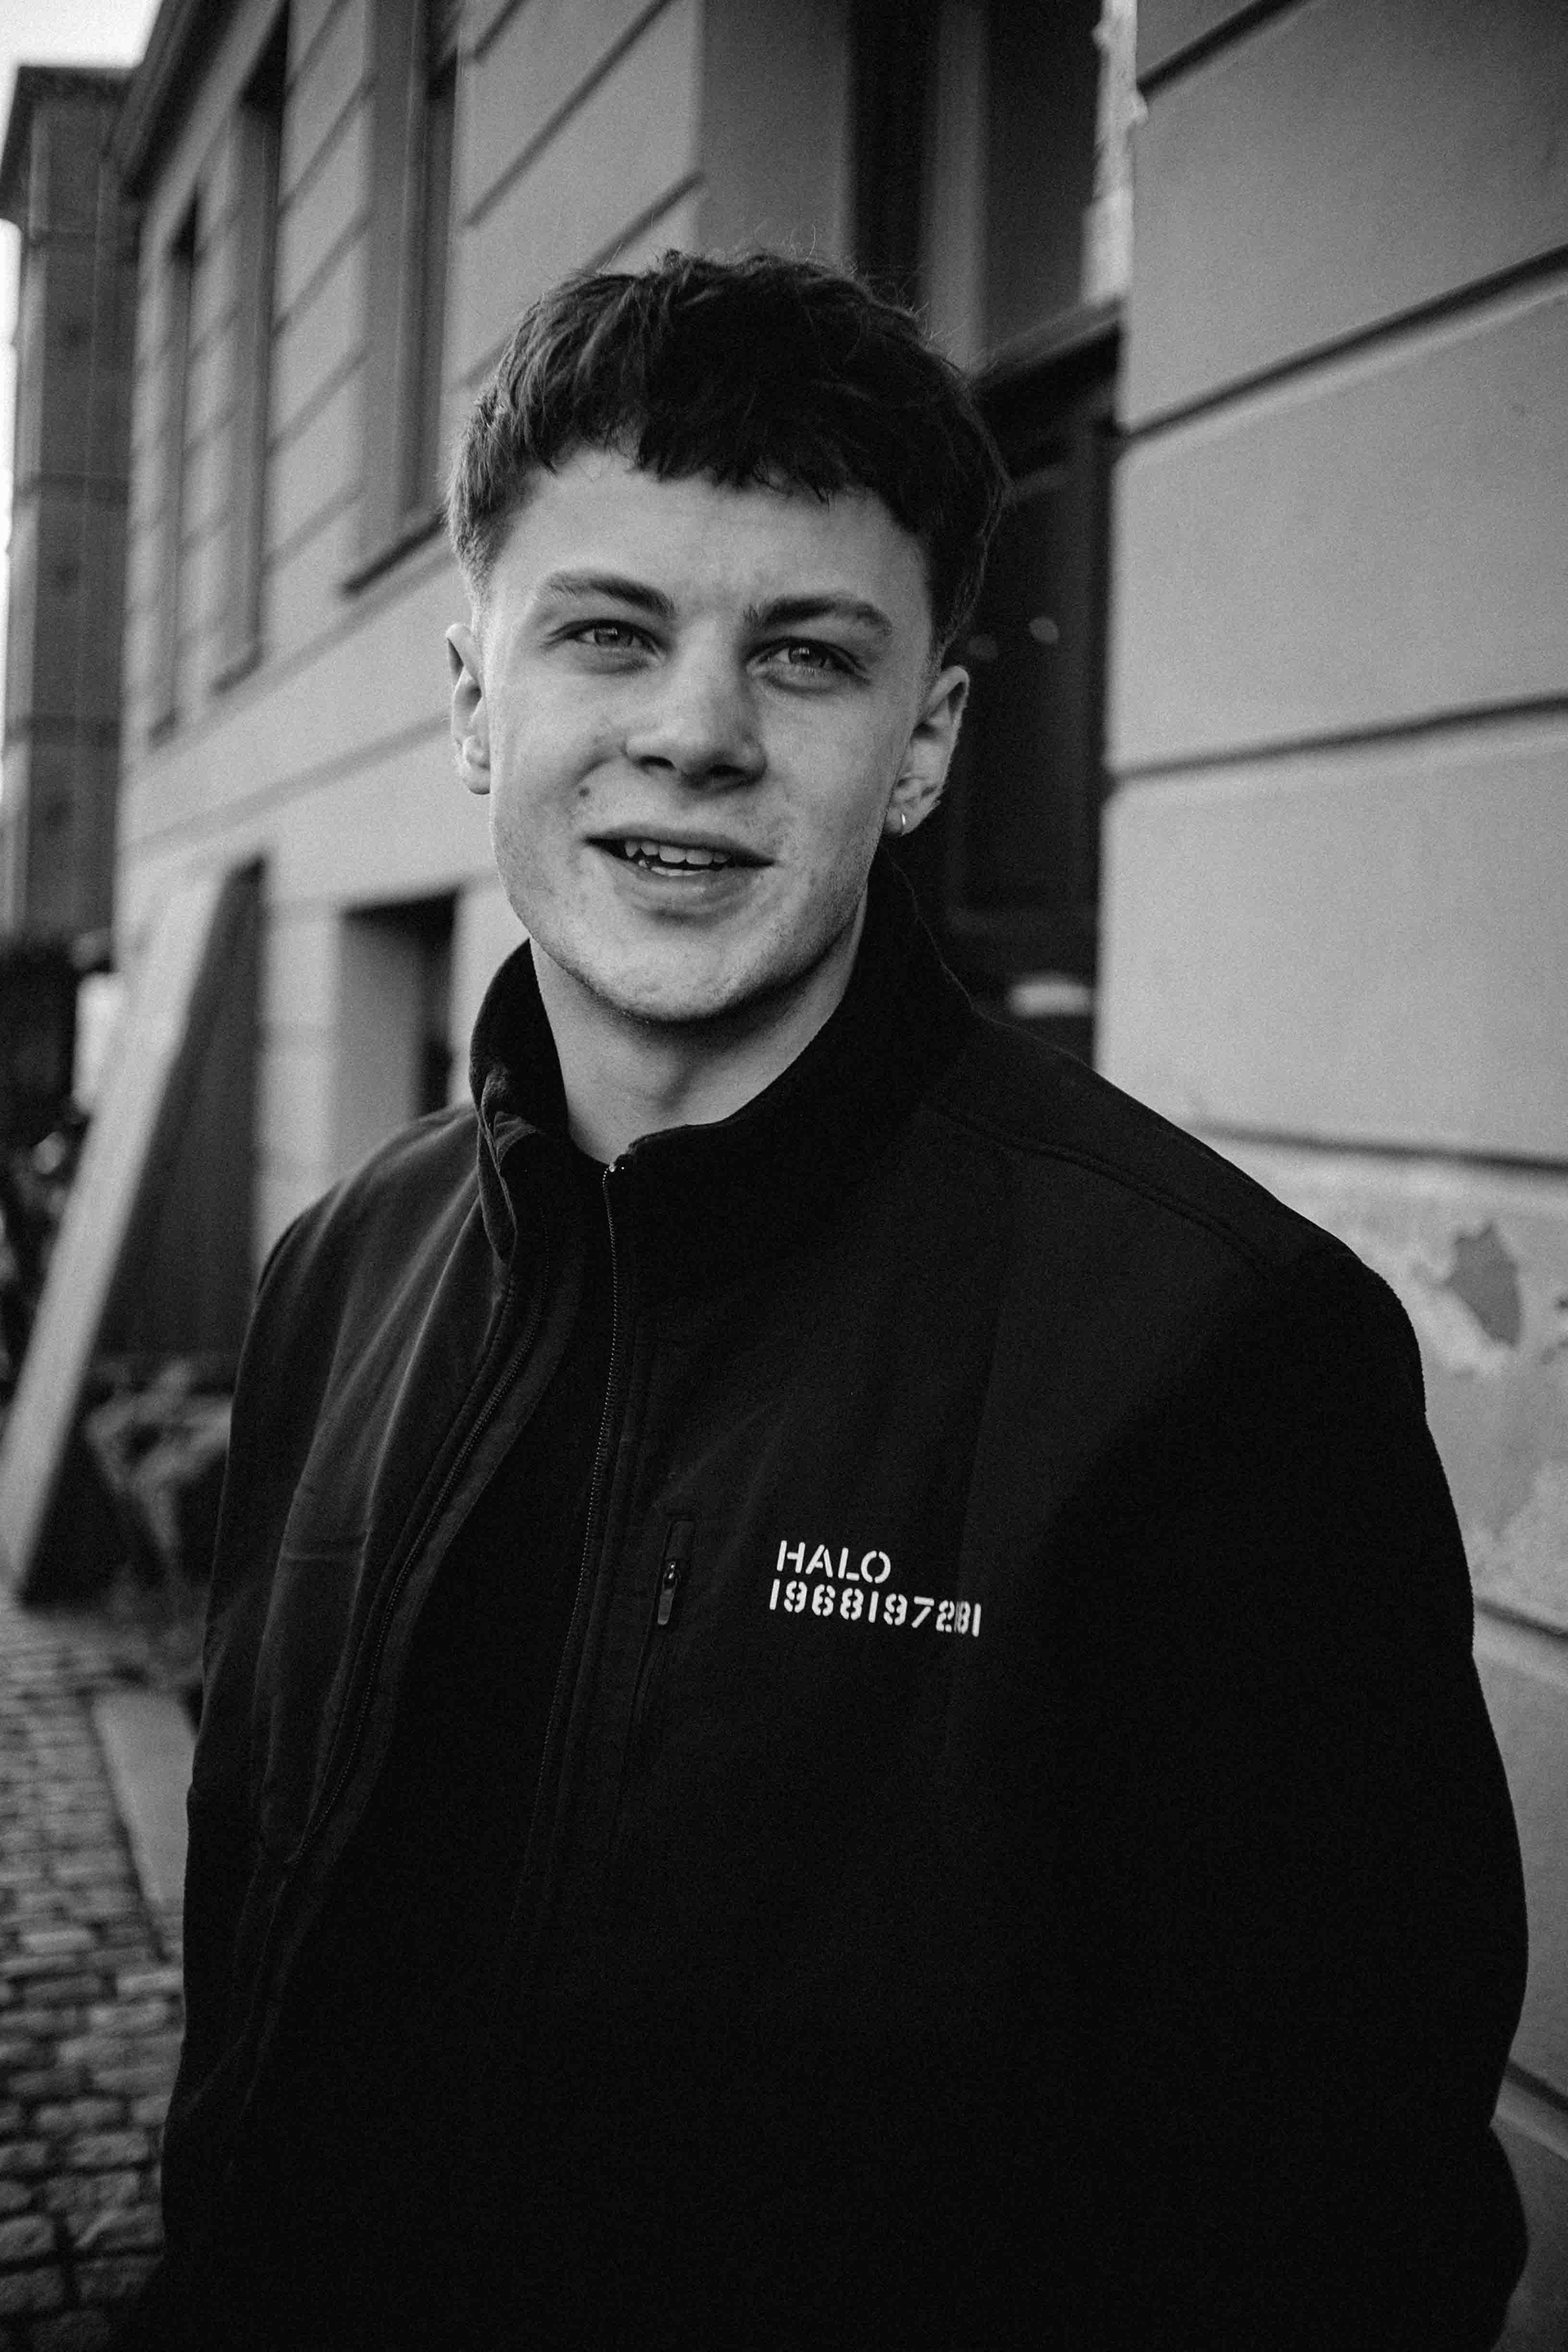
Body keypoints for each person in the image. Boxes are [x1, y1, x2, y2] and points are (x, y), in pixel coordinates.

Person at [123, 251, 1526, 2350]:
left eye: (805, 655)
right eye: (609, 632)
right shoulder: (344, 1272)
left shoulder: (1221, 1358)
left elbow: (1341, 2224)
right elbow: (263, 1978)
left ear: (927, 740)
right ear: (475, 703)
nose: (696, 733)